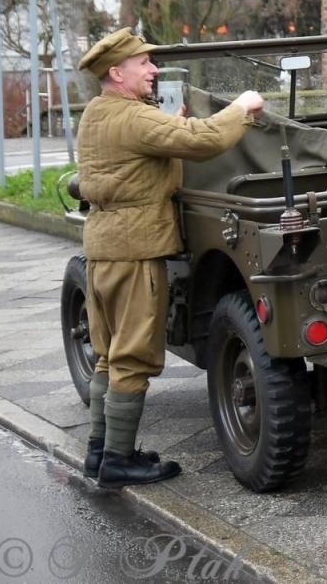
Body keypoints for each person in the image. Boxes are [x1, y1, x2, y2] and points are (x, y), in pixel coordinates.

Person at [76, 27, 265, 487]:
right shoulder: (134, 119)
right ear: (117, 72)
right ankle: (120, 460)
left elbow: (147, 149)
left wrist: (169, 123)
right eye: (144, 63)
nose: (153, 69)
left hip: (103, 250)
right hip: (135, 252)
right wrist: (242, 108)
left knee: (107, 356)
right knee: (134, 358)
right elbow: (204, 140)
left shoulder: (97, 115)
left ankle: (100, 453)